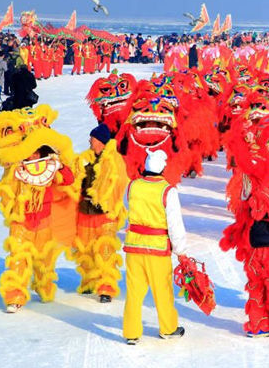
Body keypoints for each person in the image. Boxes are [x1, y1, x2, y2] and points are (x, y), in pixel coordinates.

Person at [122, 149, 187, 344]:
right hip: (157, 249)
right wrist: (181, 252)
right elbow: (175, 224)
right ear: (163, 168)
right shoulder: (168, 191)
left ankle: (131, 332)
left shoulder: (132, 186)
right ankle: (167, 327)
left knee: (134, 291)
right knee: (162, 290)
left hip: (134, 246)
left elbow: (127, 209)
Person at [73, 124, 129, 303]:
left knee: (105, 251)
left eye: (93, 138)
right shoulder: (84, 158)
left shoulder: (115, 160)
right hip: (85, 212)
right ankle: (89, 281)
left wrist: (101, 196)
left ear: (101, 142)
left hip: (105, 214)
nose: (89, 140)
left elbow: (118, 185)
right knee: (85, 248)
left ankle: (106, 288)